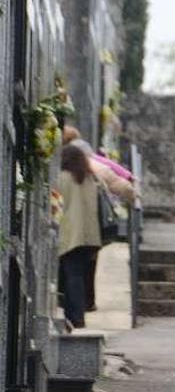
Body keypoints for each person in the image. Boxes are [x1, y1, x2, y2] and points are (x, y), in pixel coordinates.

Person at [68, 138, 136, 312]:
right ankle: (88, 302)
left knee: (73, 267)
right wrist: (135, 196)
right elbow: (123, 186)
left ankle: (77, 304)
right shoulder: (96, 168)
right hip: (92, 227)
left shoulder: (62, 169)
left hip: (70, 226)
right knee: (89, 264)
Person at [57, 145, 102, 329]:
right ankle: (76, 313)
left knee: (72, 276)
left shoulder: (63, 178)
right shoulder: (88, 178)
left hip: (71, 235)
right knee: (79, 275)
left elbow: (57, 205)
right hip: (89, 236)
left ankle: (76, 317)